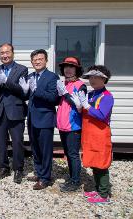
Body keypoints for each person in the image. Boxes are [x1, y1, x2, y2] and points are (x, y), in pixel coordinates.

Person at [19, 49, 59, 190]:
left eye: (40, 59)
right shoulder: (31, 76)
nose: (37, 62)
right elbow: (27, 96)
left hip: (45, 118)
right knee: (35, 148)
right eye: (34, 60)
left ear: (46, 60)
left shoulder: (52, 77)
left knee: (45, 149)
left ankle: (45, 178)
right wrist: (24, 91)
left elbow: (54, 98)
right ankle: (38, 172)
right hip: (32, 118)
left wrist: (37, 90)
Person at [0, 43, 28, 183]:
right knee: (1, 142)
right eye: (2, 53)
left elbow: (21, 90)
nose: (4, 55)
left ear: (13, 53)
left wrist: (6, 81)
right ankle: (3, 167)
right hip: (0, 110)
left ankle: (18, 169)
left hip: (16, 109)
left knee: (17, 141)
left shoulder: (22, 69)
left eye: (7, 52)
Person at [78, 65, 114, 204]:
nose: (92, 80)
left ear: (103, 79)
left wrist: (87, 106)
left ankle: (104, 195)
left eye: (95, 77)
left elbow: (101, 114)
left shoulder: (107, 97)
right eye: (91, 77)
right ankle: (98, 190)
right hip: (89, 135)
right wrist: (80, 106)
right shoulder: (91, 94)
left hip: (100, 135)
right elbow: (85, 113)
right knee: (93, 162)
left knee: (101, 164)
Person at [56, 56, 87, 192]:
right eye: (66, 67)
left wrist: (65, 94)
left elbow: (80, 105)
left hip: (73, 125)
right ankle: (71, 177)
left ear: (77, 69)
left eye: (71, 66)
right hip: (63, 125)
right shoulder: (65, 83)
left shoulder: (81, 85)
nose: (68, 69)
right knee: (68, 153)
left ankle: (75, 182)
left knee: (73, 154)